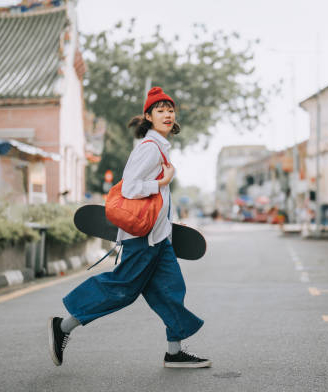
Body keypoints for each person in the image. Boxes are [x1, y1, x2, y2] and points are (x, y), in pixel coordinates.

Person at [48, 87, 211, 369]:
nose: (167, 114)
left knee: (171, 291)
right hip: (143, 240)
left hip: (159, 240)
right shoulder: (149, 149)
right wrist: (160, 183)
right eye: (159, 110)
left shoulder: (160, 148)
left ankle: (174, 353)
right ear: (148, 116)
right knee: (122, 289)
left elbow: (156, 201)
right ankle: (63, 326)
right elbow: (132, 188)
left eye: (170, 109)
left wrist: (169, 222)